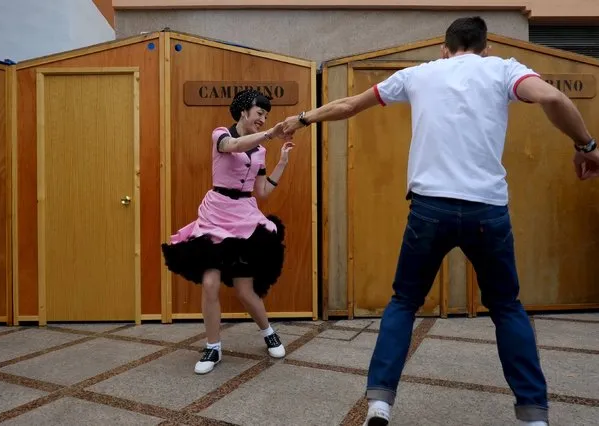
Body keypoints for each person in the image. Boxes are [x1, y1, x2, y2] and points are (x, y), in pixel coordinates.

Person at [282, 16, 598, 426]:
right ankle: (534, 415)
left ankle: (379, 404)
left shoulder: (419, 74)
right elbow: (553, 99)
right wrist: (586, 145)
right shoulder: (504, 69)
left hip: (429, 210)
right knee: (506, 307)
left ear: (443, 49)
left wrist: (303, 118)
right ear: (484, 47)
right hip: (487, 211)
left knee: (404, 302)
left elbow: (350, 105)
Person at [162, 89, 293, 375]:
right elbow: (231, 146)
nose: (263, 119)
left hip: (244, 217)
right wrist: (270, 133)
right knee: (210, 283)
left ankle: (268, 331)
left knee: (245, 290)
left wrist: (281, 163)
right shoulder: (221, 134)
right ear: (245, 111)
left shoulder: (260, 151)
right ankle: (213, 347)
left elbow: (262, 191)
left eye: (266, 116)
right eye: (260, 113)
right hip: (215, 215)